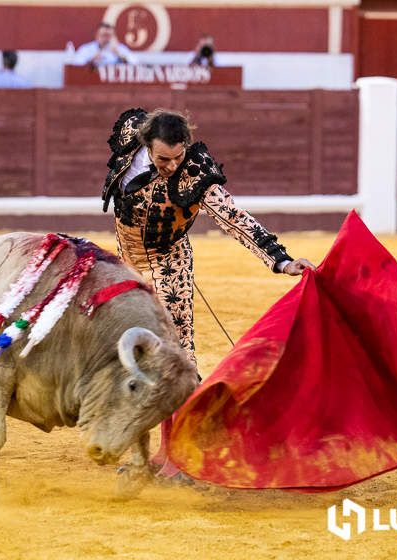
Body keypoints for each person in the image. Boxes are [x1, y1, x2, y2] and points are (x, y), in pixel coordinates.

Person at [102, 108, 315, 478]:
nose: (171, 165)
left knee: (174, 360)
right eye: (162, 158)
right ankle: (150, 452)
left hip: (167, 268)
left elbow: (235, 219)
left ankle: (178, 454)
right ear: (145, 145)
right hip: (126, 266)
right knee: (127, 355)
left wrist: (281, 260)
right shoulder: (130, 135)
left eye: (177, 156)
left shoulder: (195, 174)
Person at [73, 22, 138, 67]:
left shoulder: (121, 49)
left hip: (116, 84)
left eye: (109, 36)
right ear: (96, 35)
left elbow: (136, 64)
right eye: (103, 35)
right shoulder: (86, 49)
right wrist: (91, 60)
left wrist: (119, 54)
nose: (106, 39)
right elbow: (75, 66)